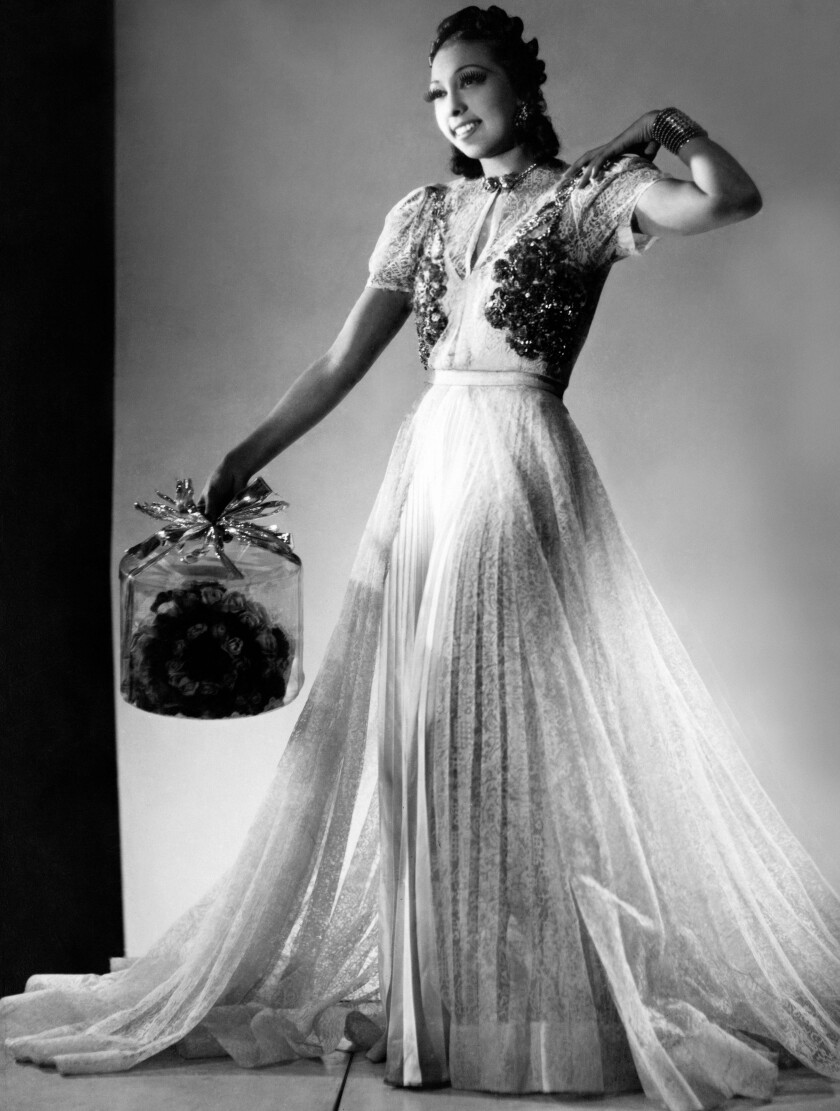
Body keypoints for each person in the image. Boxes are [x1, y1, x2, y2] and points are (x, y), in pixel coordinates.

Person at [3, 6, 839, 1108]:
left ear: (524, 91)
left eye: (474, 82)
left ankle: (523, 1019)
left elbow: (731, 198)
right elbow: (342, 356)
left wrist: (665, 126)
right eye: (440, 95)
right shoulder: (425, 213)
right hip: (430, 468)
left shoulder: (588, 200)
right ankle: (432, 1018)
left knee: (503, 738)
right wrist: (243, 453)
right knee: (410, 743)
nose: (455, 108)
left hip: (518, 460)